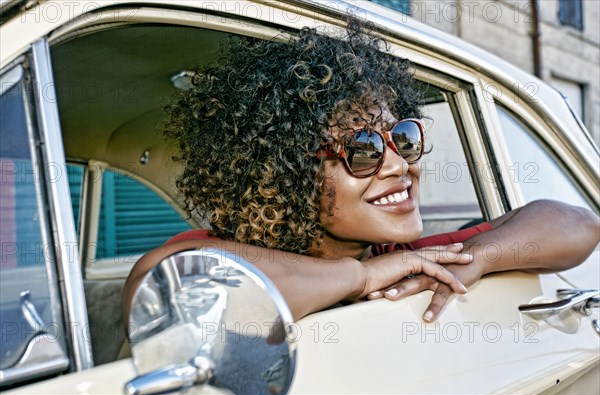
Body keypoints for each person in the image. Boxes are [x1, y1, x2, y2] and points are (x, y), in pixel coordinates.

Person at [123, 19, 599, 324]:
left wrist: (481, 255)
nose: (400, 165)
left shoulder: (404, 253)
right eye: (364, 149)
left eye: (404, 139)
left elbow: (579, 224)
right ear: (277, 175)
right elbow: (166, 282)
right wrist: (364, 276)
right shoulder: (224, 255)